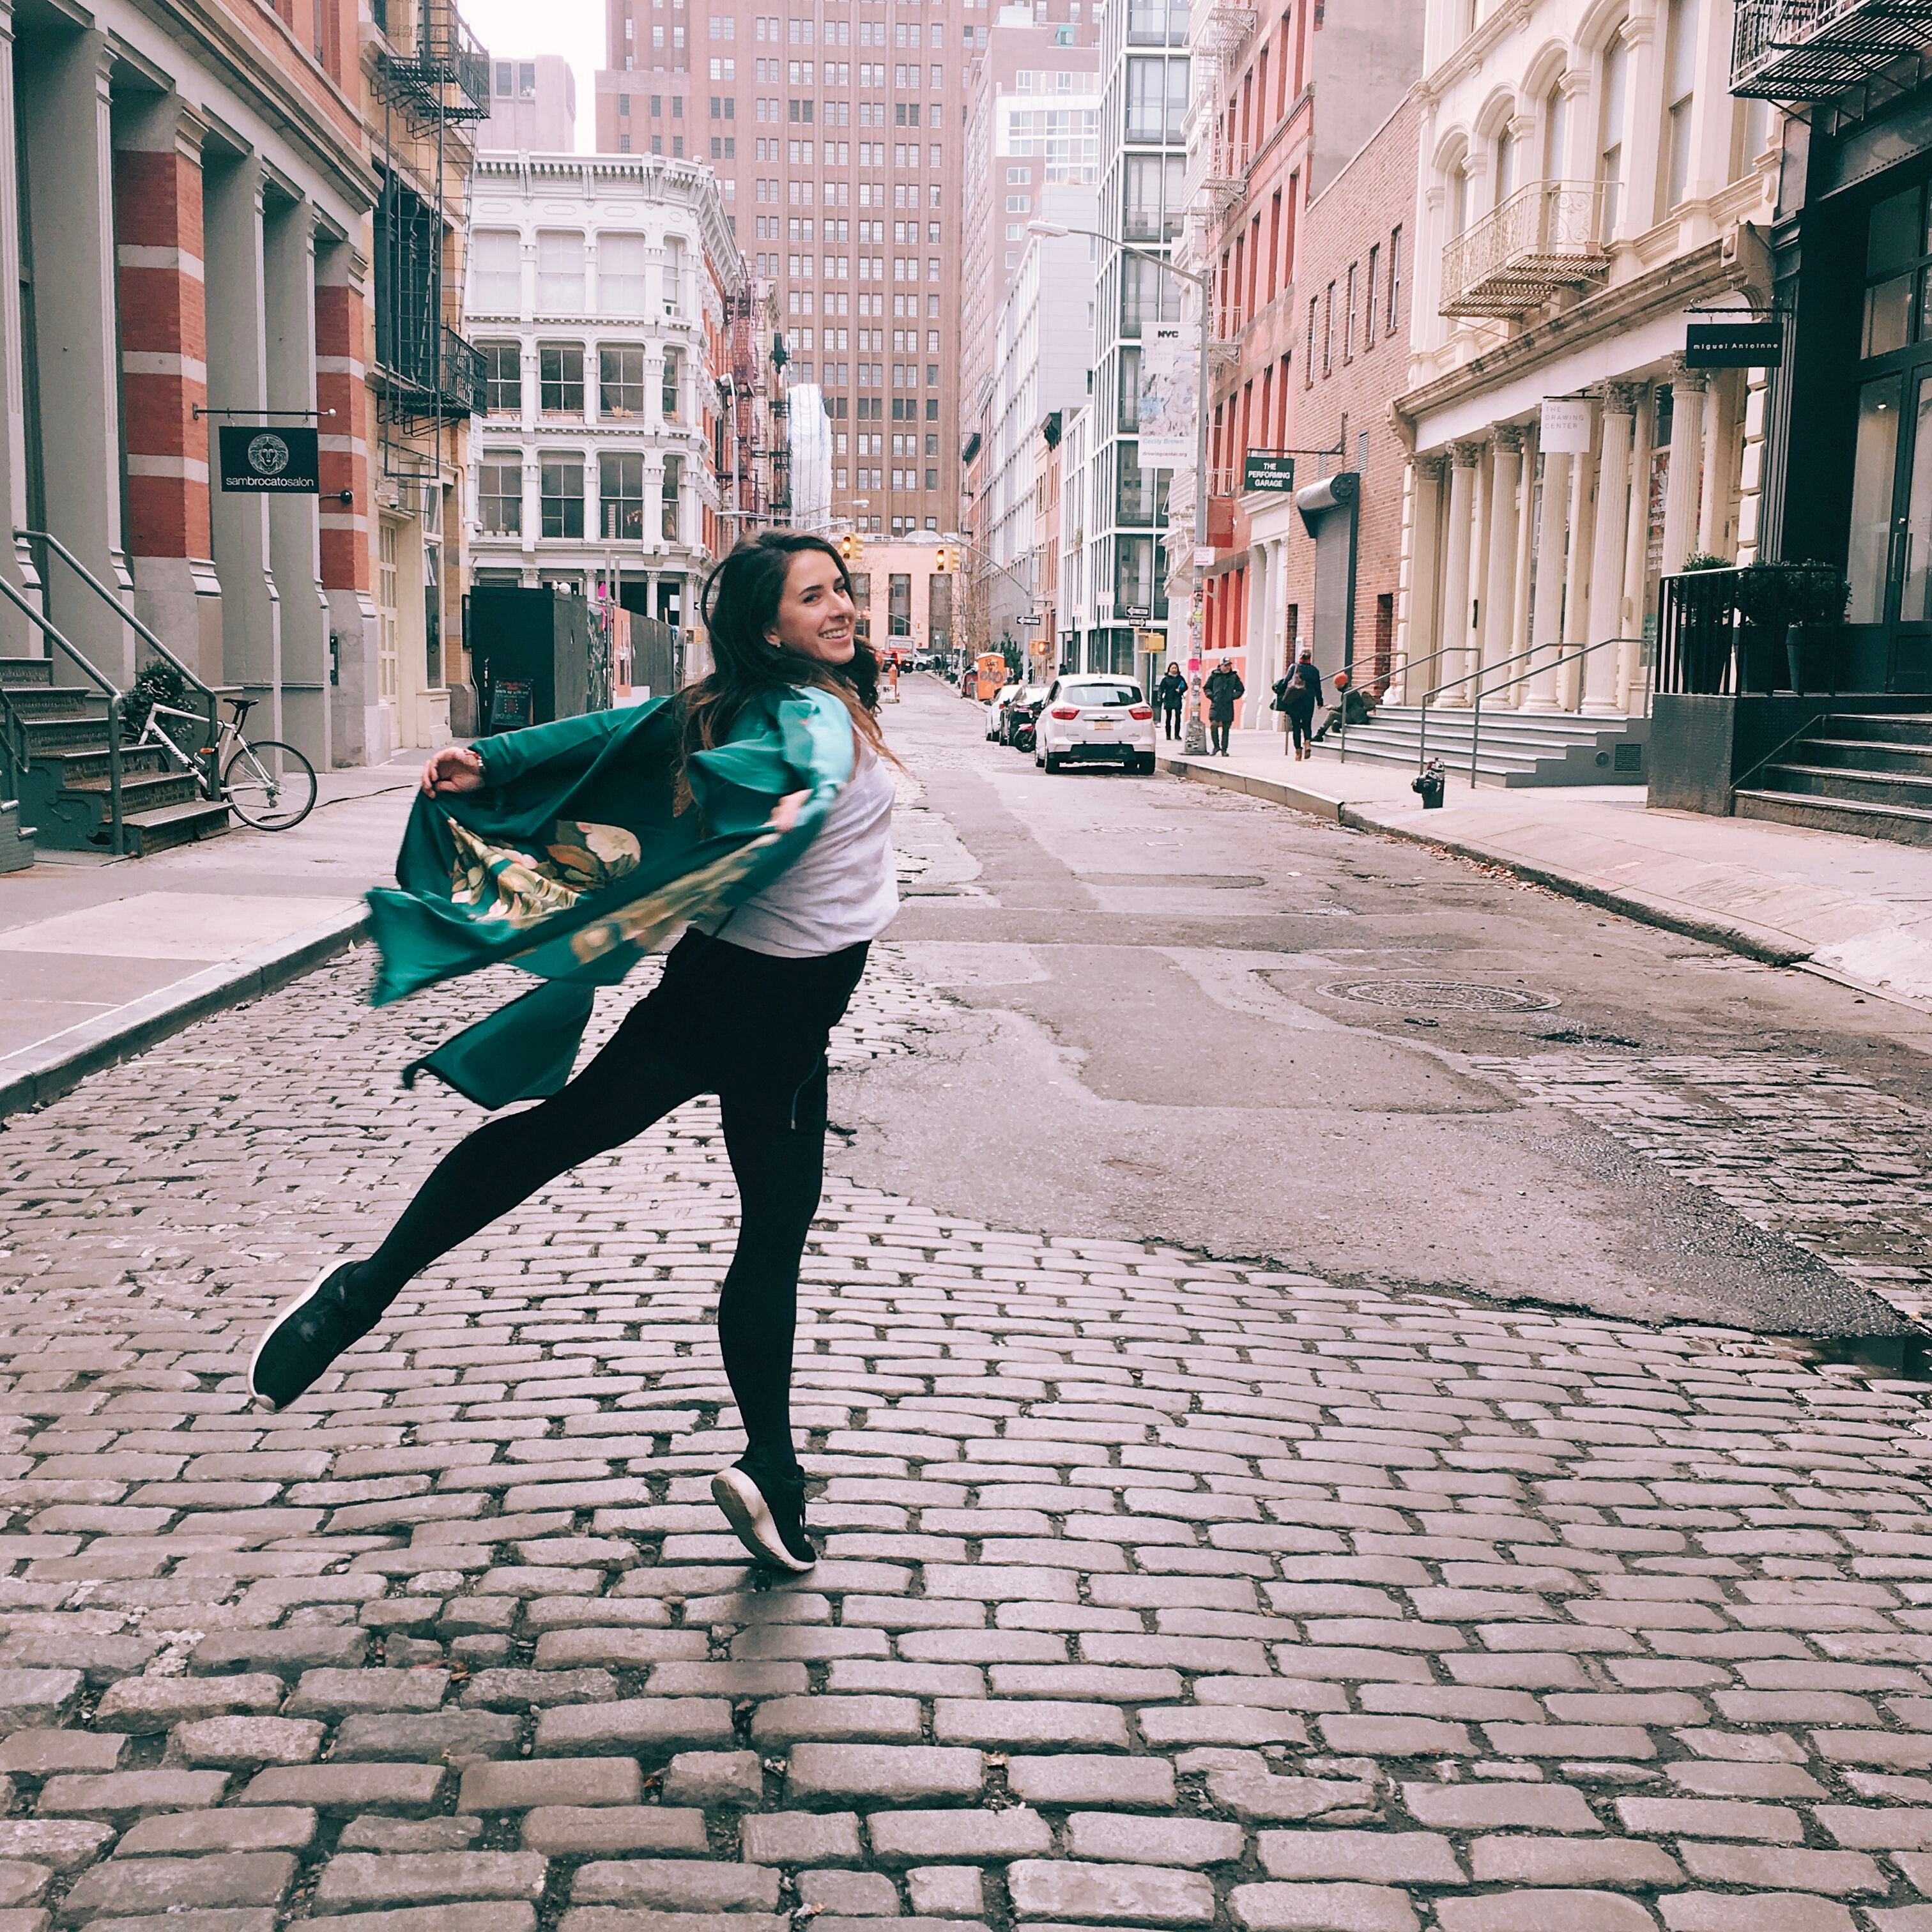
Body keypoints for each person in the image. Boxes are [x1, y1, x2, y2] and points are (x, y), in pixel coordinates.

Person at [247, 532, 901, 1576]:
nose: (840, 609)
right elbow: (788, 767)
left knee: (570, 1138)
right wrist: (785, 809)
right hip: (769, 1017)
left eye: (841, 590)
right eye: (813, 597)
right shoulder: (798, 724)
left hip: (726, 998)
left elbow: (629, 725)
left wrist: (499, 755)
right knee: (767, 1229)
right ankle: (770, 1469)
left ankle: (361, 1291)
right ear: (764, 625)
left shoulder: (756, 694)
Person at [1273, 646, 1324, 762]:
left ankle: (1298, 752)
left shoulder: (1294, 667)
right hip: (1309, 700)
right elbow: (1318, 688)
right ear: (1310, 657)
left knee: (1296, 726)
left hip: (1295, 700)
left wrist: (1280, 693)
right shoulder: (1314, 671)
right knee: (1307, 724)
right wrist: (1320, 701)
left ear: (1300, 656)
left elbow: (1286, 682)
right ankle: (1307, 744)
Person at [1204, 657, 1244, 756]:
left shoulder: (1234, 677)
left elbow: (1240, 689)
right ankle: (1216, 746)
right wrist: (1211, 695)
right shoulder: (1214, 676)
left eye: (1229, 665)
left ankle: (1224, 749)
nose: (1228, 667)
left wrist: (1233, 696)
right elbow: (1207, 687)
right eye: (1226, 665)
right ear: (1221, 665)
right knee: (1214, 725)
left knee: (1226, 728)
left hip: (1228, 705)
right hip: (1216, 704)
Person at [1156, 662, 1186, 741]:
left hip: (1177, 699)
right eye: (1172, 668)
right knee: (1168, 718)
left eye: (1175, 668)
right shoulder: (1166, 679)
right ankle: (1168, 735)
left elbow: (1186, 687)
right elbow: (1161, 689)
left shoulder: (1180, 678)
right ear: (1169, 669)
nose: (1174, 670)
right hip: (1168, 699)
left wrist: (1180, 690)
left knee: (1178, 717)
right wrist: (1160, 698)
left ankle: (1177, 734)